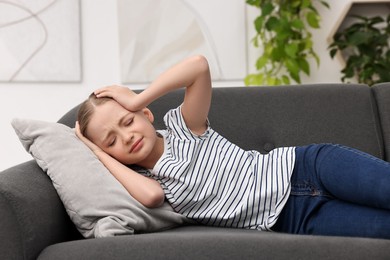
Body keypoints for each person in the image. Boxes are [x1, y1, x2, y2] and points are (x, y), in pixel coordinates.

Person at [76, 55, 390, 239]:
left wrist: (136, 97)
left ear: (145, 114)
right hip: (295, 220)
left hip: (308, 167)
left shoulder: (183, 128)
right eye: (111, 141)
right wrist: (95, 152)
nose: (126, 137)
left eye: (127, 122)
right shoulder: (147, 182)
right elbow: (152, 197)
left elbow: (198, 66)